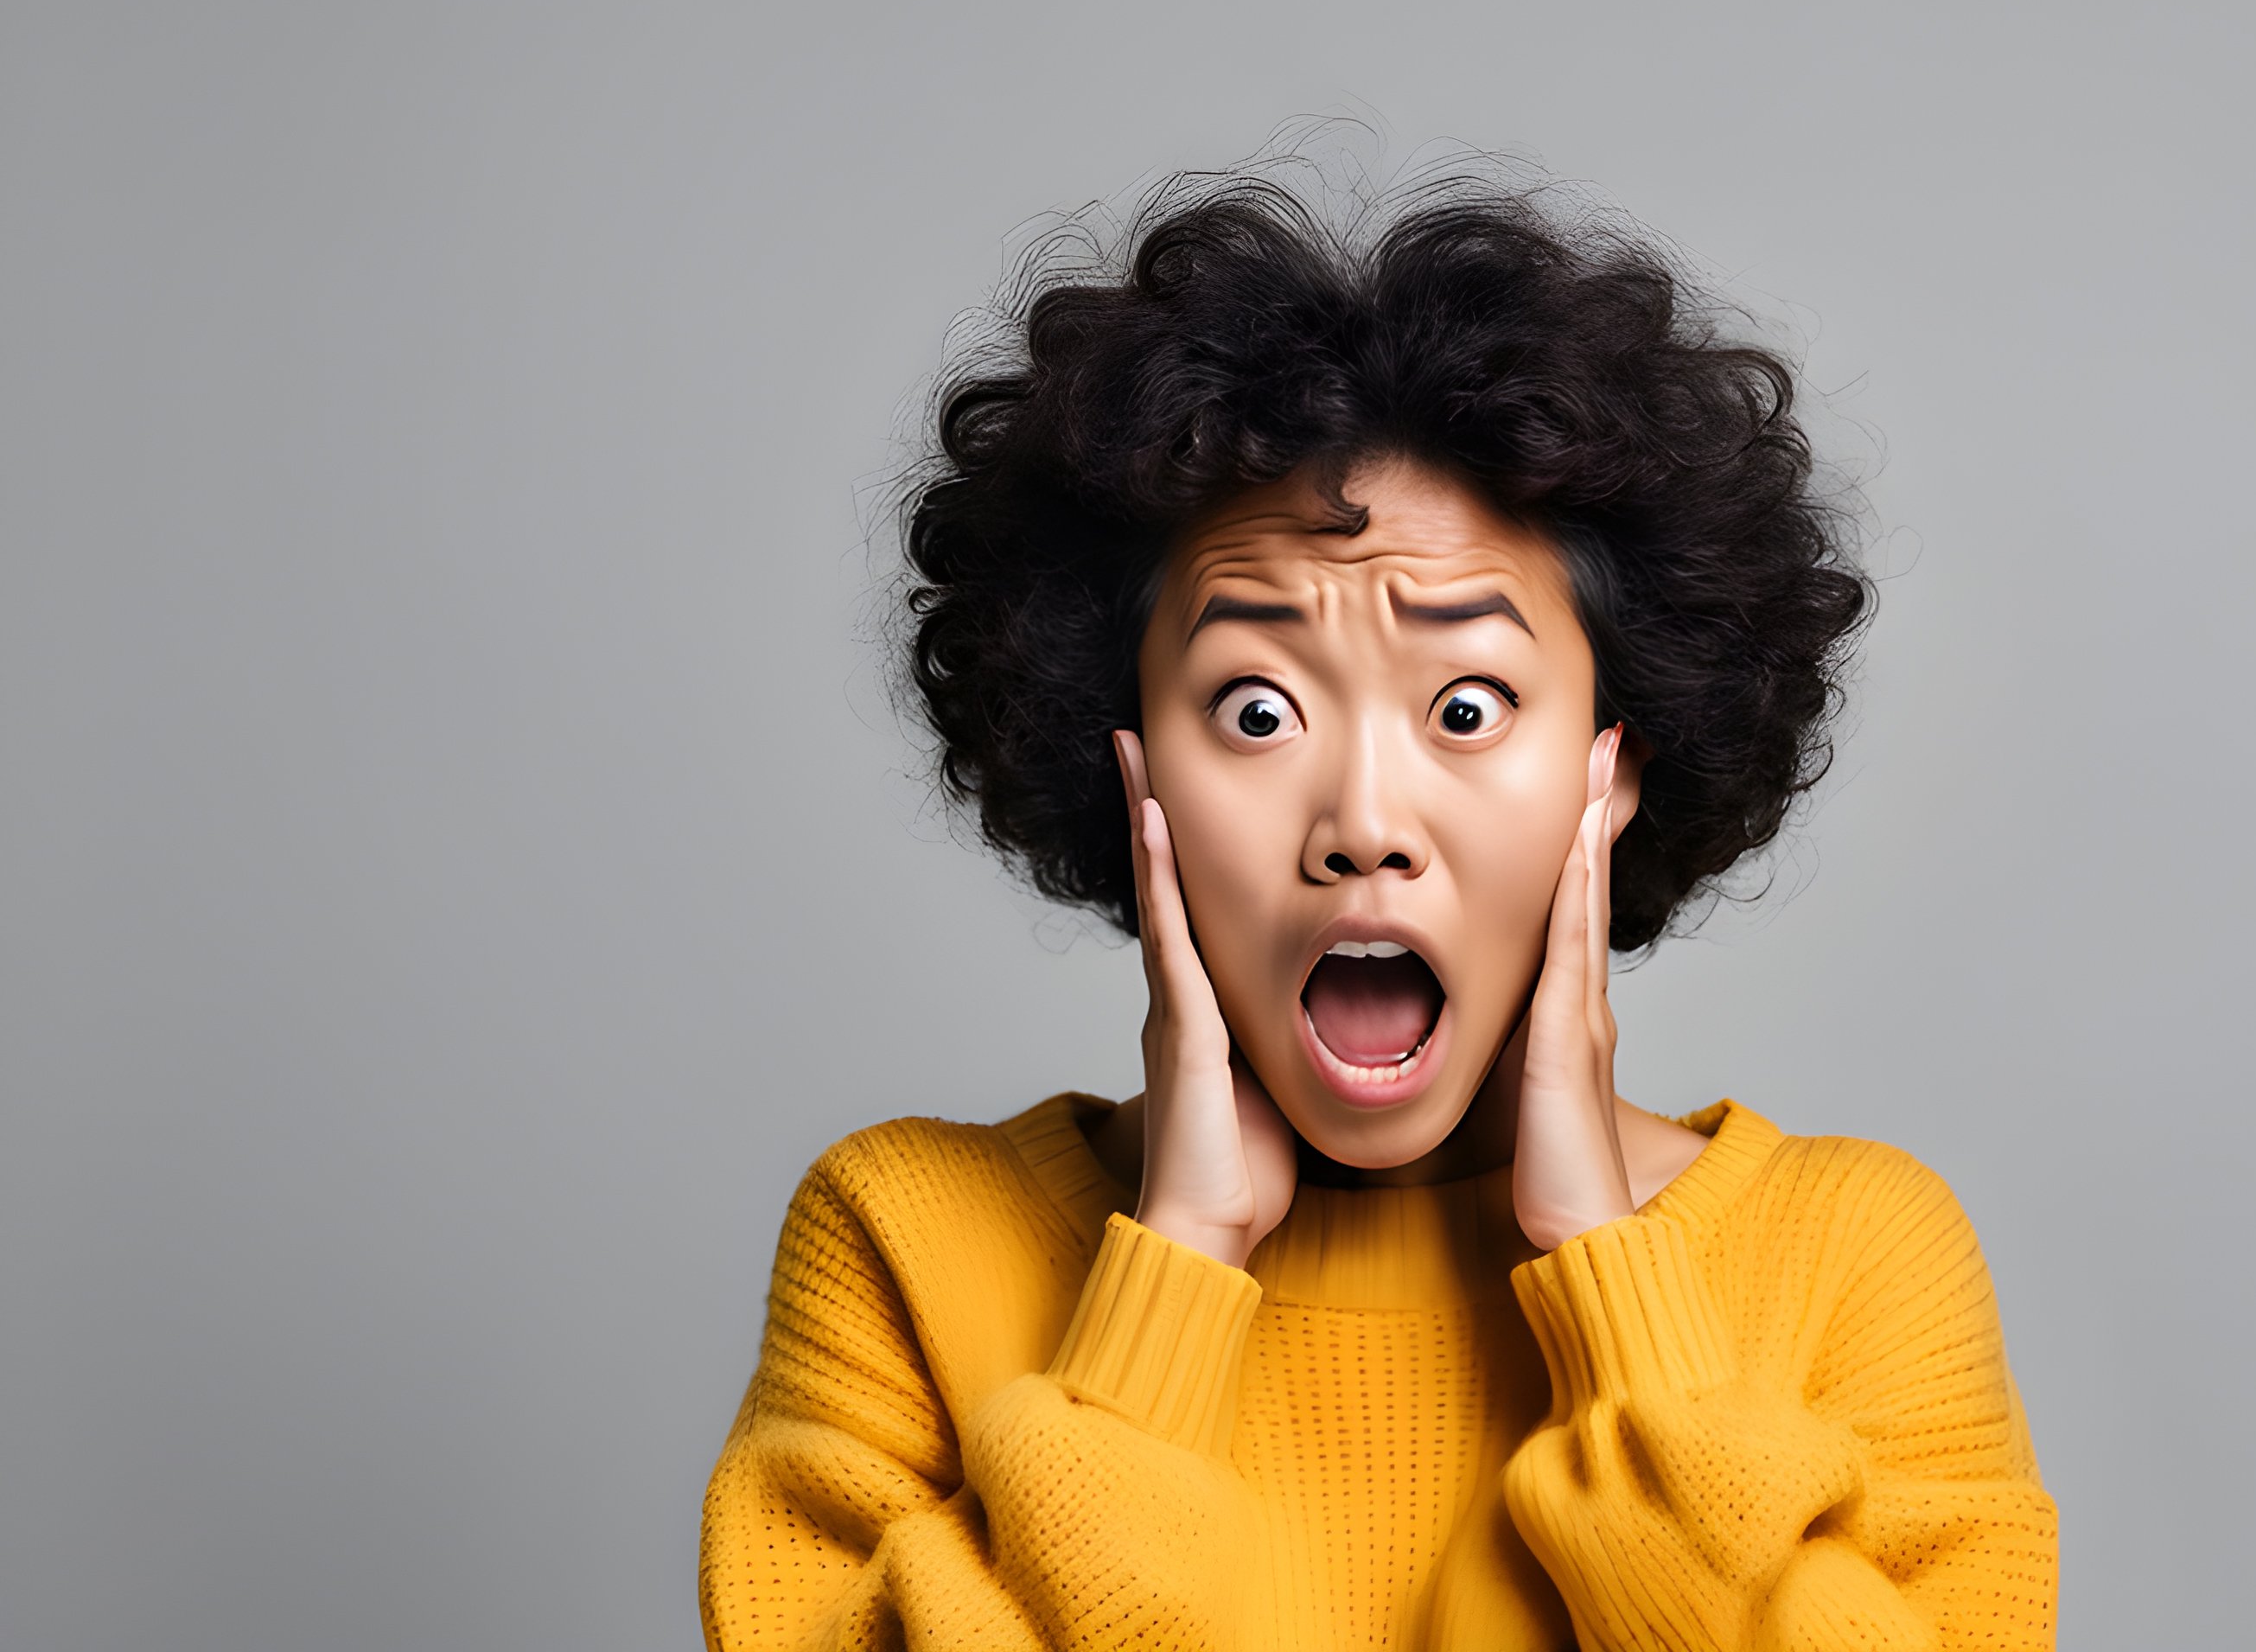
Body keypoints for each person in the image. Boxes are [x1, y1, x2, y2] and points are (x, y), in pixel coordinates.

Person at [698, 161, 2059, 1650]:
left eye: (1468, 708)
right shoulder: (906, 1237)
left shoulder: (1853, 1252)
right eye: (1258, 712)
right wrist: (1174, 1276)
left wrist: (1616, 1291)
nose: (1362, 827)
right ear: (1125, 760)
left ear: (1611, 771)